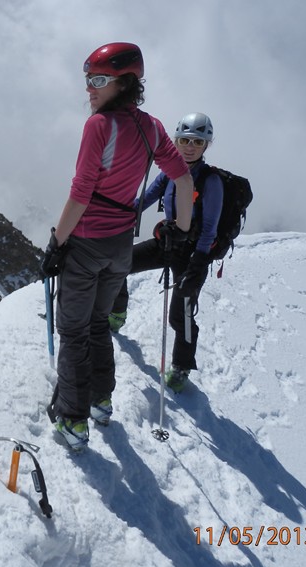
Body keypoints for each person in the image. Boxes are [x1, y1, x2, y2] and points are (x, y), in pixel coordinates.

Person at [40, 42, 194, 451]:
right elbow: (182, 180)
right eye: (87, 79)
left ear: (123, 82)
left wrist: (56, 243)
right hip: (120, 246)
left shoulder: (98, 127)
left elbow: (80, 194)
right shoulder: (152, 127)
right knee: (97, 324)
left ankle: (72, 421)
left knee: (73, 330)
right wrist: (180, 229)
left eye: (98, 80)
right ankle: (100, 402)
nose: (88, 89)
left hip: (87, 243)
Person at [109, 112, 222, 393]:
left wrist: (198, 263)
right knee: (118, 264)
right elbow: (143, 200)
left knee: (180, 313)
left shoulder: (211, 182)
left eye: (197, 141)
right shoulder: (169, 173)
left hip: (193, 254)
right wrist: (118, 217)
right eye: (184, 140)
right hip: (167, 243)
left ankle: (182, 366)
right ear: (175, 140)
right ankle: (117, 312)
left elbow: (209, 228)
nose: (189, 146)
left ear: (207, 145)